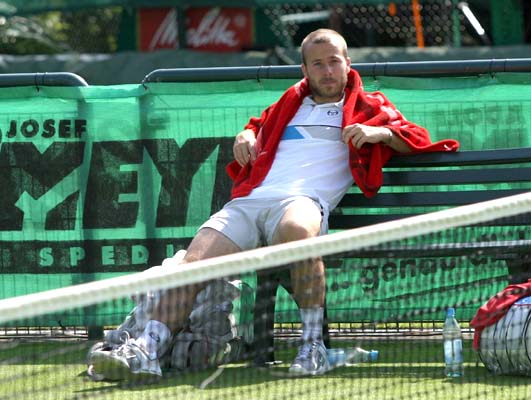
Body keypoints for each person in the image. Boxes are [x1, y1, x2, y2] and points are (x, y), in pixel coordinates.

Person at [88, 28, 459, 380]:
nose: (328, 71)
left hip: (302, 203)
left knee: (299, 233)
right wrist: (245, 135)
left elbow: (416, 137)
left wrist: (380, 133)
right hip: (249, 203)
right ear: (305, 69)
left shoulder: (369, 106)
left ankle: (312, 348)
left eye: (334, 61)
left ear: (348, 63)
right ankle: (146, 351)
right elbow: (256, 125)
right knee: (191, 265)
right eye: (318, 64)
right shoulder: (288, 104)